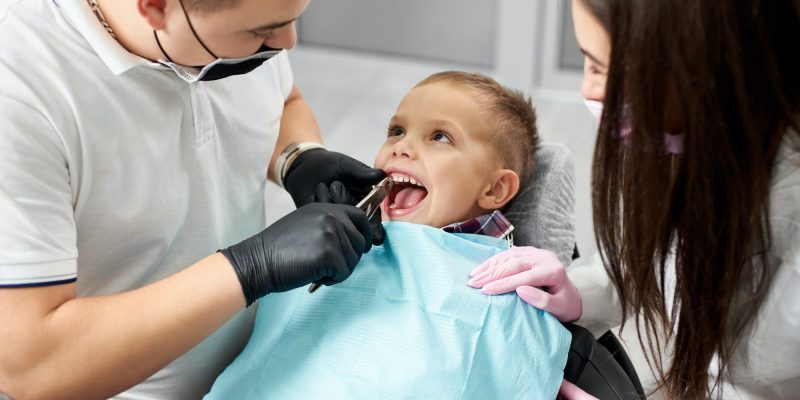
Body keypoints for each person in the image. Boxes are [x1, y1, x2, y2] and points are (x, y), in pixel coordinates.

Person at [0, 0, 388, 398]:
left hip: (252, 373)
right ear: (155, 7)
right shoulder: (19, 90)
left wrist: (298, 157)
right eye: (261, 32)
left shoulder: (242, 21)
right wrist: (251, 268)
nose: (287, 42)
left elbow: (285, 99)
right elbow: (32, 366)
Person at [470, 0, 800, 398]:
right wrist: (580, 293)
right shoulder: (683, 140)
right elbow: (657, 258)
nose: (588, 89)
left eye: (601, 68)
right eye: (585, 62)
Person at [204, 71, 573, 399]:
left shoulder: (504, 281)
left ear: (494, 190)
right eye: (396, 130)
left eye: (439, 137)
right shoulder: (332, 239)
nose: (402, 146)